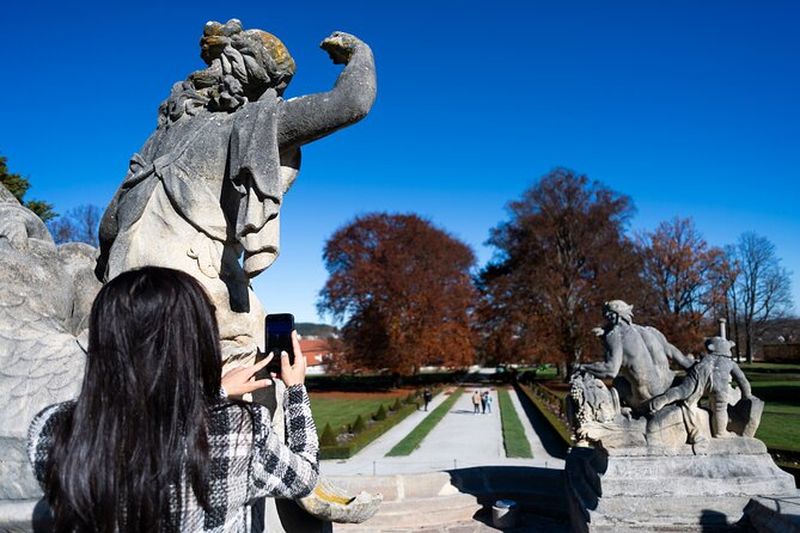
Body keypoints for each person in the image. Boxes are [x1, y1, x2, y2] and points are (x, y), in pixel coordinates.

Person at [27, 267, 319, 532]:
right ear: (195, 340)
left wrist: (213, 396)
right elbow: (305, 478)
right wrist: (295, 390)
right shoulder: (242, 428)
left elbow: (146, 426)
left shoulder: (50, 429)